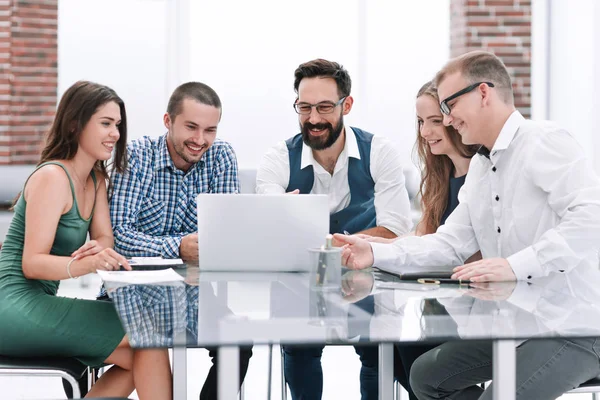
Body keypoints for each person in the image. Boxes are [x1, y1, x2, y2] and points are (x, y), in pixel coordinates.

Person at [334, 50, 600, 399]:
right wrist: (375, 251)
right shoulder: (480, 166)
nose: (445, 120)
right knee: (425, 376)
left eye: (449, 106)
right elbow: (448, 244)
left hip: (574, 327)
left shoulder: (544, 141)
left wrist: (512, 266)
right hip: (516, 323)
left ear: (484, 93)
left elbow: (590, 221)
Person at [0, 80, 172, 399]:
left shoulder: (95, 178)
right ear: (75, 124)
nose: (115, 134)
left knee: (142, 352)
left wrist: (100, 249)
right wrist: (89, 263)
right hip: (13, 306)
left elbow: (105, 236)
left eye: (118, 125)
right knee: (148, 333)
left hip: (39, 304)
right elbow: (32, 264)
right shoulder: (53, 177)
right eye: (105, 124)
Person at [256, 58, 413, 400]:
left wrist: (318, 241)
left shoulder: (379, 152)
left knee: (379, 351)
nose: (313, 118)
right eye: (304, 107)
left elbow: (397, 229)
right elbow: (269, 225)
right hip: (299, 284)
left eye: (325, 107)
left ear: (347, 104)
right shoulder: (278, 158)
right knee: (299, 348)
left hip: (371, 282)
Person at [106, 81, 252, 400]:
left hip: (194, 293)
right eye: (191, 127)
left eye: (210, 130)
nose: (200, 140)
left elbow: (224, 235)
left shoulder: (221, 157)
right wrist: (178, 247)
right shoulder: (137, 156)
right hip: (132, 292)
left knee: (239, 340)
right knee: (150, 342)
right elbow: (117, 238)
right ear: (168, 121)